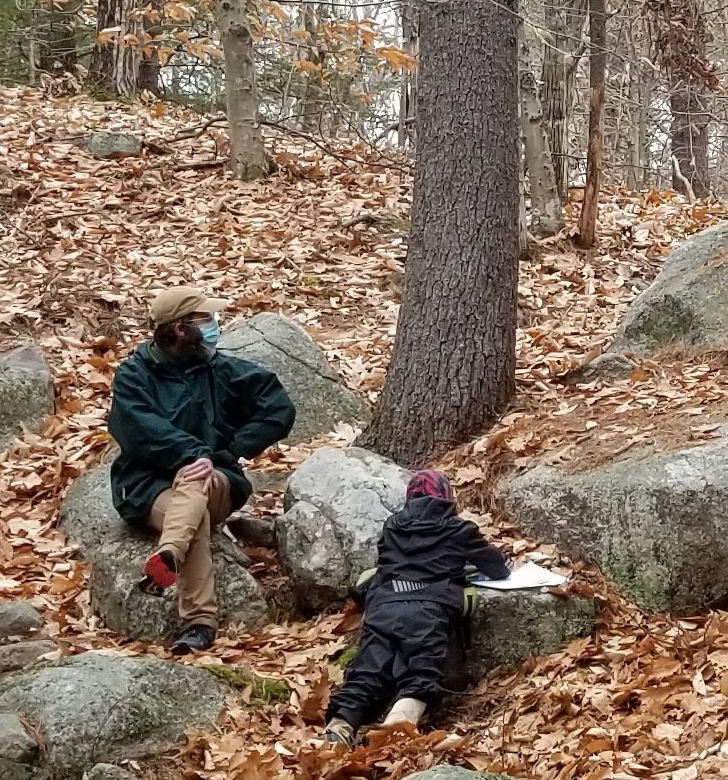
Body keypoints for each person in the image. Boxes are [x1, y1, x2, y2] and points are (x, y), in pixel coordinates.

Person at [106, 286, 296, 655]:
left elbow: (278, 408)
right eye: (205, 318)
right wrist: (196, 455)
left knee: (196, 483)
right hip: (148, 489)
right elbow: (142, 429)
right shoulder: (134, 375)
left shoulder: (221, 368)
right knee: (193, 504)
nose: (214, 324)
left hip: (218, 482)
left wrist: (231, 452)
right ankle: (199, 622)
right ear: (179, 328)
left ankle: (171, 559)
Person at [323, 470, 511, 744]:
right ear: (447, 498)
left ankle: (340, 726)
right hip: (428, 609)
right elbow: (497, 568)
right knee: (421, 671)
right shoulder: (458, 529)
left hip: (384, 606)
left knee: (368, 668)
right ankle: (397, 727)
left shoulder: (392, 525)